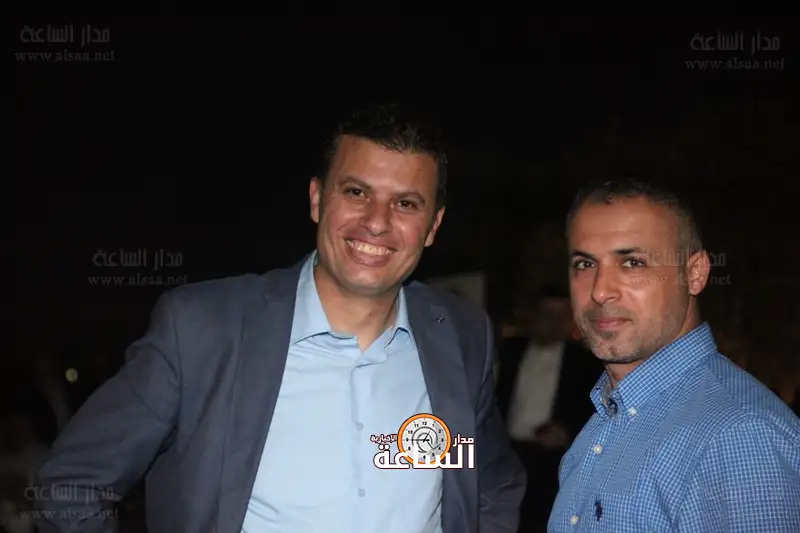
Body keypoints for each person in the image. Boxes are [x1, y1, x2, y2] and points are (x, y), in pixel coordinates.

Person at [34, 103, 526, 533]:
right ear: (317, 199)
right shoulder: (204, 331)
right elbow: (72, 486)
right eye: (356, 192)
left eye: (405, 203)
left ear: (433, 226)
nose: (377, 222)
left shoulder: (461, 336)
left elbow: (491, 482)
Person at [548, 178, 800, 532]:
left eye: (632, 263)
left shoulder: (740, 436)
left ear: (695, 273)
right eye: (585, 265)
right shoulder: (608, 418)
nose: (600, 291)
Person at [495, 286, 602, 532]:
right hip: (507, 454)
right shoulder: (510, 351)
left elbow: (594, 411)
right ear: (533, 316)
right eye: (547, 314)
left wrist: (567, 431)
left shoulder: (584, 362)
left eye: (560, 315)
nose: (553, 322)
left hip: (551, 462)